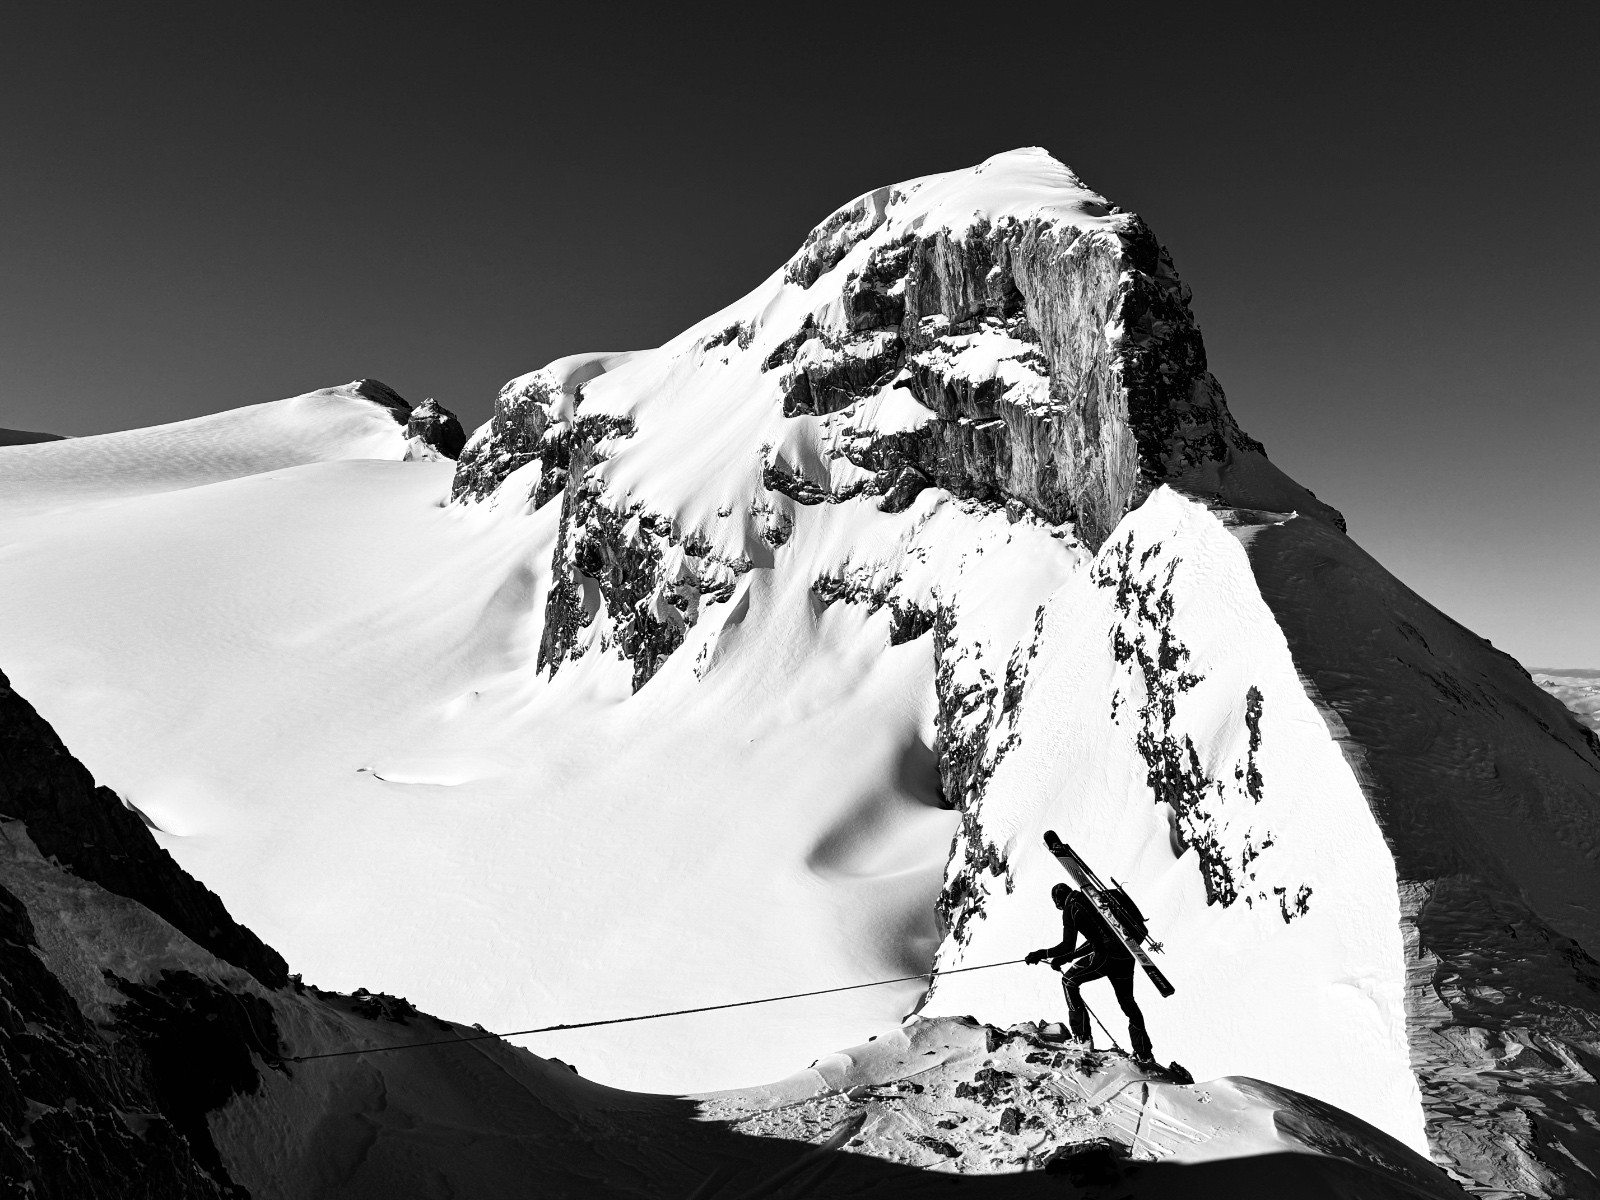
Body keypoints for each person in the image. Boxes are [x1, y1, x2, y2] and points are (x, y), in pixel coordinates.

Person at [1026, 882, 1153, 1061]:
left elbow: (1067, 945)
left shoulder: (1071, 908)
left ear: (1058, 902)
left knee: (1069, 981)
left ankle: (1082, 1037)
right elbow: (1097, 938)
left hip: (1105, 957)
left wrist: (1042, 954)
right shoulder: (1092, 900)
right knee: (1127, 1002)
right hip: (1126, 955)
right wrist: (1067, 958)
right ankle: (1144, 1053)